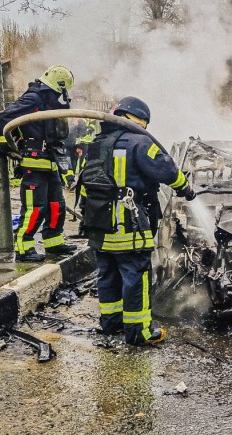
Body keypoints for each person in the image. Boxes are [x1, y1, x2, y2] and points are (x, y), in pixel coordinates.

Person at [81, 97, 195, 346]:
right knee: (135, 278)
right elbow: (167, 171)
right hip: (128, 226)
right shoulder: (140, 142)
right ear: (141, 119)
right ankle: (139, 332)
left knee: (107, 275)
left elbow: (87, 183)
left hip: (100, 227)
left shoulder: (97, 144)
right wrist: (185, 188)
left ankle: (111, 324)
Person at [0, 65, 77, 262]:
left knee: (57, 205)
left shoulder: (49, 103)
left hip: (51, 163)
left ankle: (54, 242)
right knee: (35, 208)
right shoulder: (33, 99)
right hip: (34, 164)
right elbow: (3, 119)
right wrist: (6, 147)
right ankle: (24, 248)